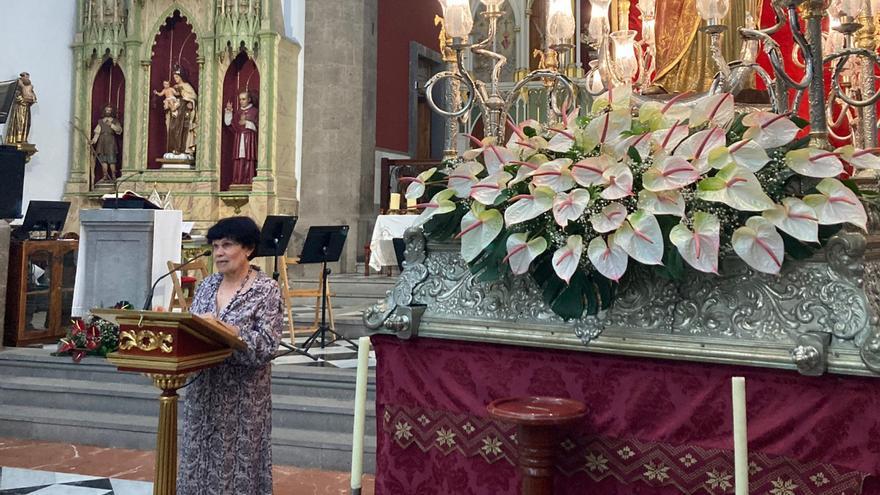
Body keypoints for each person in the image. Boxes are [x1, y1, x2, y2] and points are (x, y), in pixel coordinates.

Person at [177, 216, 282, 495]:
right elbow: (194, 329)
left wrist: (232, 333)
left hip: (242, 397)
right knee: (196, 462)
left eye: (227, 245)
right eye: (215, 247)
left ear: (247, 249)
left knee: (238, 468)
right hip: (203, 391)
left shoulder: (265, 290)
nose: (219, 253)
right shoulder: (207, 286)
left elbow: (269, 345)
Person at [224, 90, 258, 184]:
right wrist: (229, 112)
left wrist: (247, 123)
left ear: (249, 99)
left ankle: (248, 180)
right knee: (239, 159)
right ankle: (238, 180)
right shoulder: (238, 112)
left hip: (249, 138)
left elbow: (259, 126)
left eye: (244, 99)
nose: (241, 101)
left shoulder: (254, 111)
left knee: (249, 159)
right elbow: (230, 125)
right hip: (239, 138)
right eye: (240, 99)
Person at [91, 105, 122, 182]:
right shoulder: (101, 121)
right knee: (103, 160)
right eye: (107, 110)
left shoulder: (115, 121)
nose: (108, 112)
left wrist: (111, 125)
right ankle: (105, 175)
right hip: (102, 141)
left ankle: (113, 176)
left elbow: (119, 130)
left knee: (112, 160)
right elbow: (97, 133)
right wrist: (93, 141)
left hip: (111, 142)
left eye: (109, 110)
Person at [5, 72, 37, 145]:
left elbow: (34, 97)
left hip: (27, 108)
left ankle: (24, 138)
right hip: (19, 108)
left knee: (27, 123)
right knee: (20, 123)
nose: (28, 79)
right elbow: (17, 97)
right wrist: (25, 100)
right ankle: (17, 139)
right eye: (26, 77)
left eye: (28, 77)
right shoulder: (18, 87)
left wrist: (31, 99)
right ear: (22, 78)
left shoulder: (29, 87)